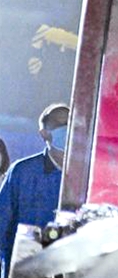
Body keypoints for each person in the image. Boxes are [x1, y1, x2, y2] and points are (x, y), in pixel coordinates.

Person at [0, 103, 69, 278]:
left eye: (71, 123)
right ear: (44, 133)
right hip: (26, 266)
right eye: (59, 125)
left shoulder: (85, 174)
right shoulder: (22, 172)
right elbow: (2, 224)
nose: (67, 129)